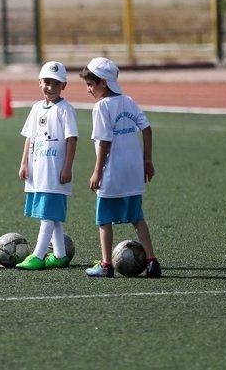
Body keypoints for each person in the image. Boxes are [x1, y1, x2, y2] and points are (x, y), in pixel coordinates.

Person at [81, 57, 161, 278]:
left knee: (104, 220)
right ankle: (152, 262)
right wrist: (147, 160)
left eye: (90, 84)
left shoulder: (101, 107)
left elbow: (105, 142)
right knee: (137, 218)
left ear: (103, 83)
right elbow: (147, 128)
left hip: (112, 172)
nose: (88, 90)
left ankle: (106, 265)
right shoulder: (128, 101)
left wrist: (97, 170)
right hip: (133, 172)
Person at [15, 61, 79, 270]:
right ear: (39, 82)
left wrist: (67, 167)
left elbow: (72, 139)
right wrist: (24, 163)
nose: (50, 87)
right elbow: (29, 138)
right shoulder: (35, 108)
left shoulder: (65, 109)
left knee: (48, 214)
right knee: (52, 216)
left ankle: (38, 255)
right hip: (38, 170)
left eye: (55, 83)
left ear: (63, 86)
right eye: (47, 82)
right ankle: (59, 254)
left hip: (55, 170)